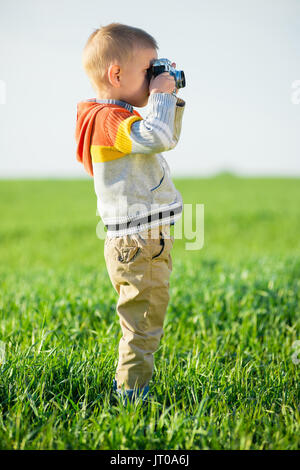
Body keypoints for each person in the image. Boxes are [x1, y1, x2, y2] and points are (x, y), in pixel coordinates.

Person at [75, 23, 185, 404]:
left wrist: (168, 97)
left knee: (139, 320)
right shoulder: (110, 119)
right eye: (149, 70)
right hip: (141, 242)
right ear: (116, 74)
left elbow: (163, 138)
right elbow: (158, 137)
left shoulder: (112, 118)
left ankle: (130, 388)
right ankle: (131, 399)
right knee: (143, 326)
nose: (154, 77)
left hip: (134, 240)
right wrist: (162, 96)